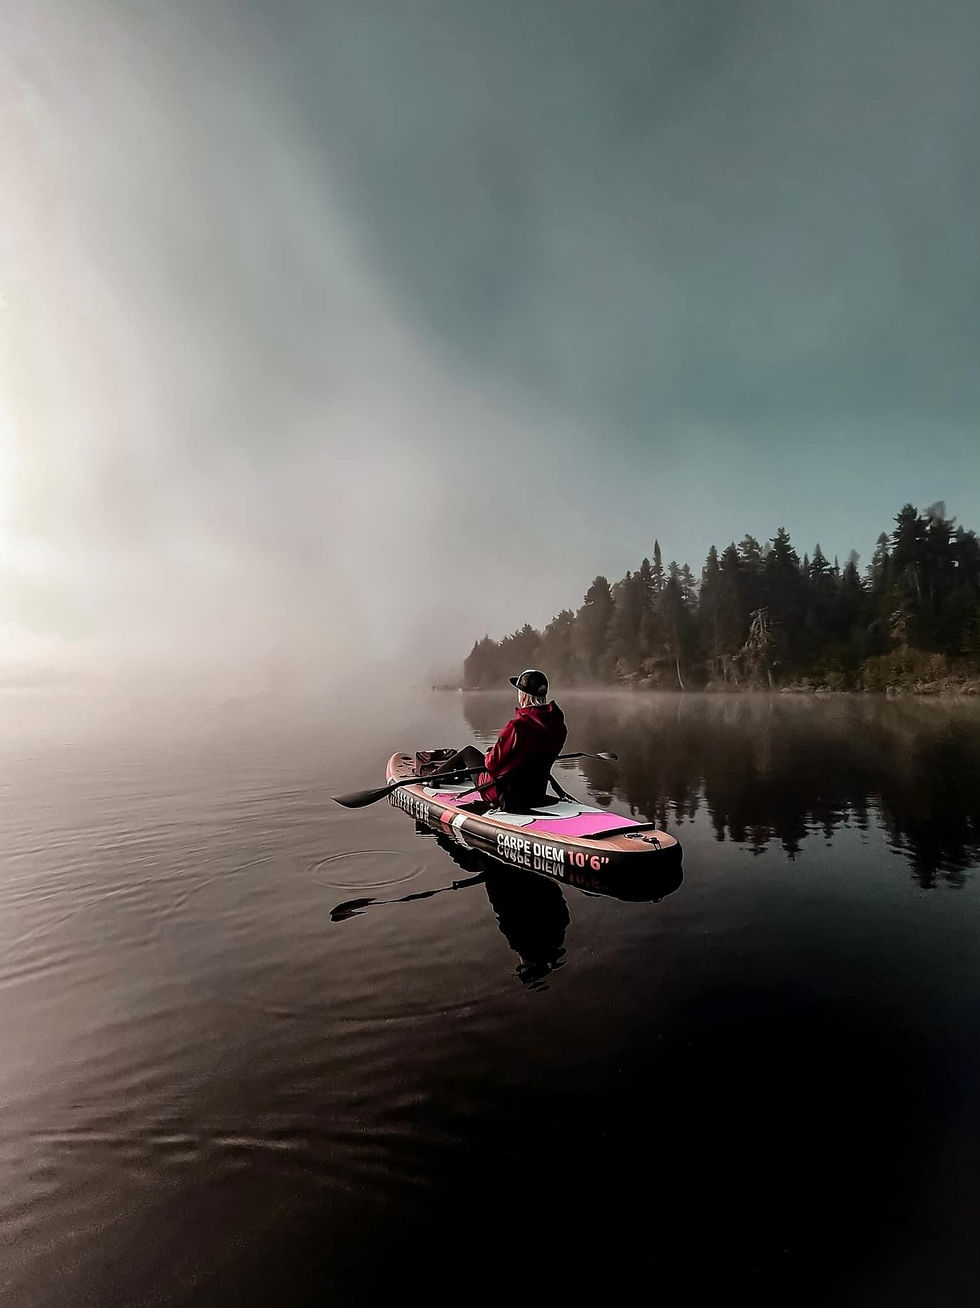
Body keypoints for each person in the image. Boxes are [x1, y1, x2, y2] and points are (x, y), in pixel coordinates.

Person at [424, 669, 567, 811]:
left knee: (468, 752)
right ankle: (443, 775)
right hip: (536, 792)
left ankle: (433, 778)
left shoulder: (517, 727)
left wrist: (489, 754)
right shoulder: (558, 726)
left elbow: (491, 764)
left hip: (502, 793)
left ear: (523, 695)